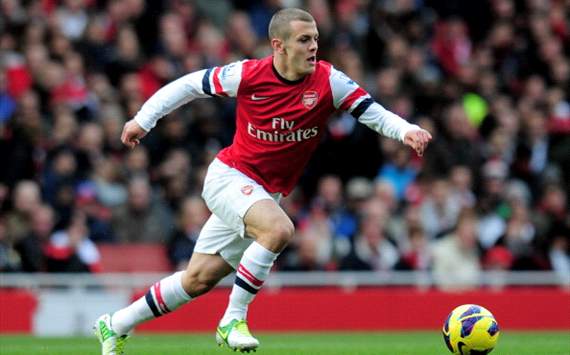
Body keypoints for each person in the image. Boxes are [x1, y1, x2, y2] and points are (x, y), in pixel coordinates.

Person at [94, 8, 432, 354]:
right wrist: (143, 121)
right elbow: (187, 86)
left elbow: (372, 112)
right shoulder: (248, 74)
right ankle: (232, 320)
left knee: (197, 279)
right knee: (278, 230)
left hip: (264, 193)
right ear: (279, 45)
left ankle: (115, 324)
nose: (314, 46)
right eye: (304, 40)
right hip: (229, 177)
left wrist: (406, 130)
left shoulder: (329, 81)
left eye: (315, 38)